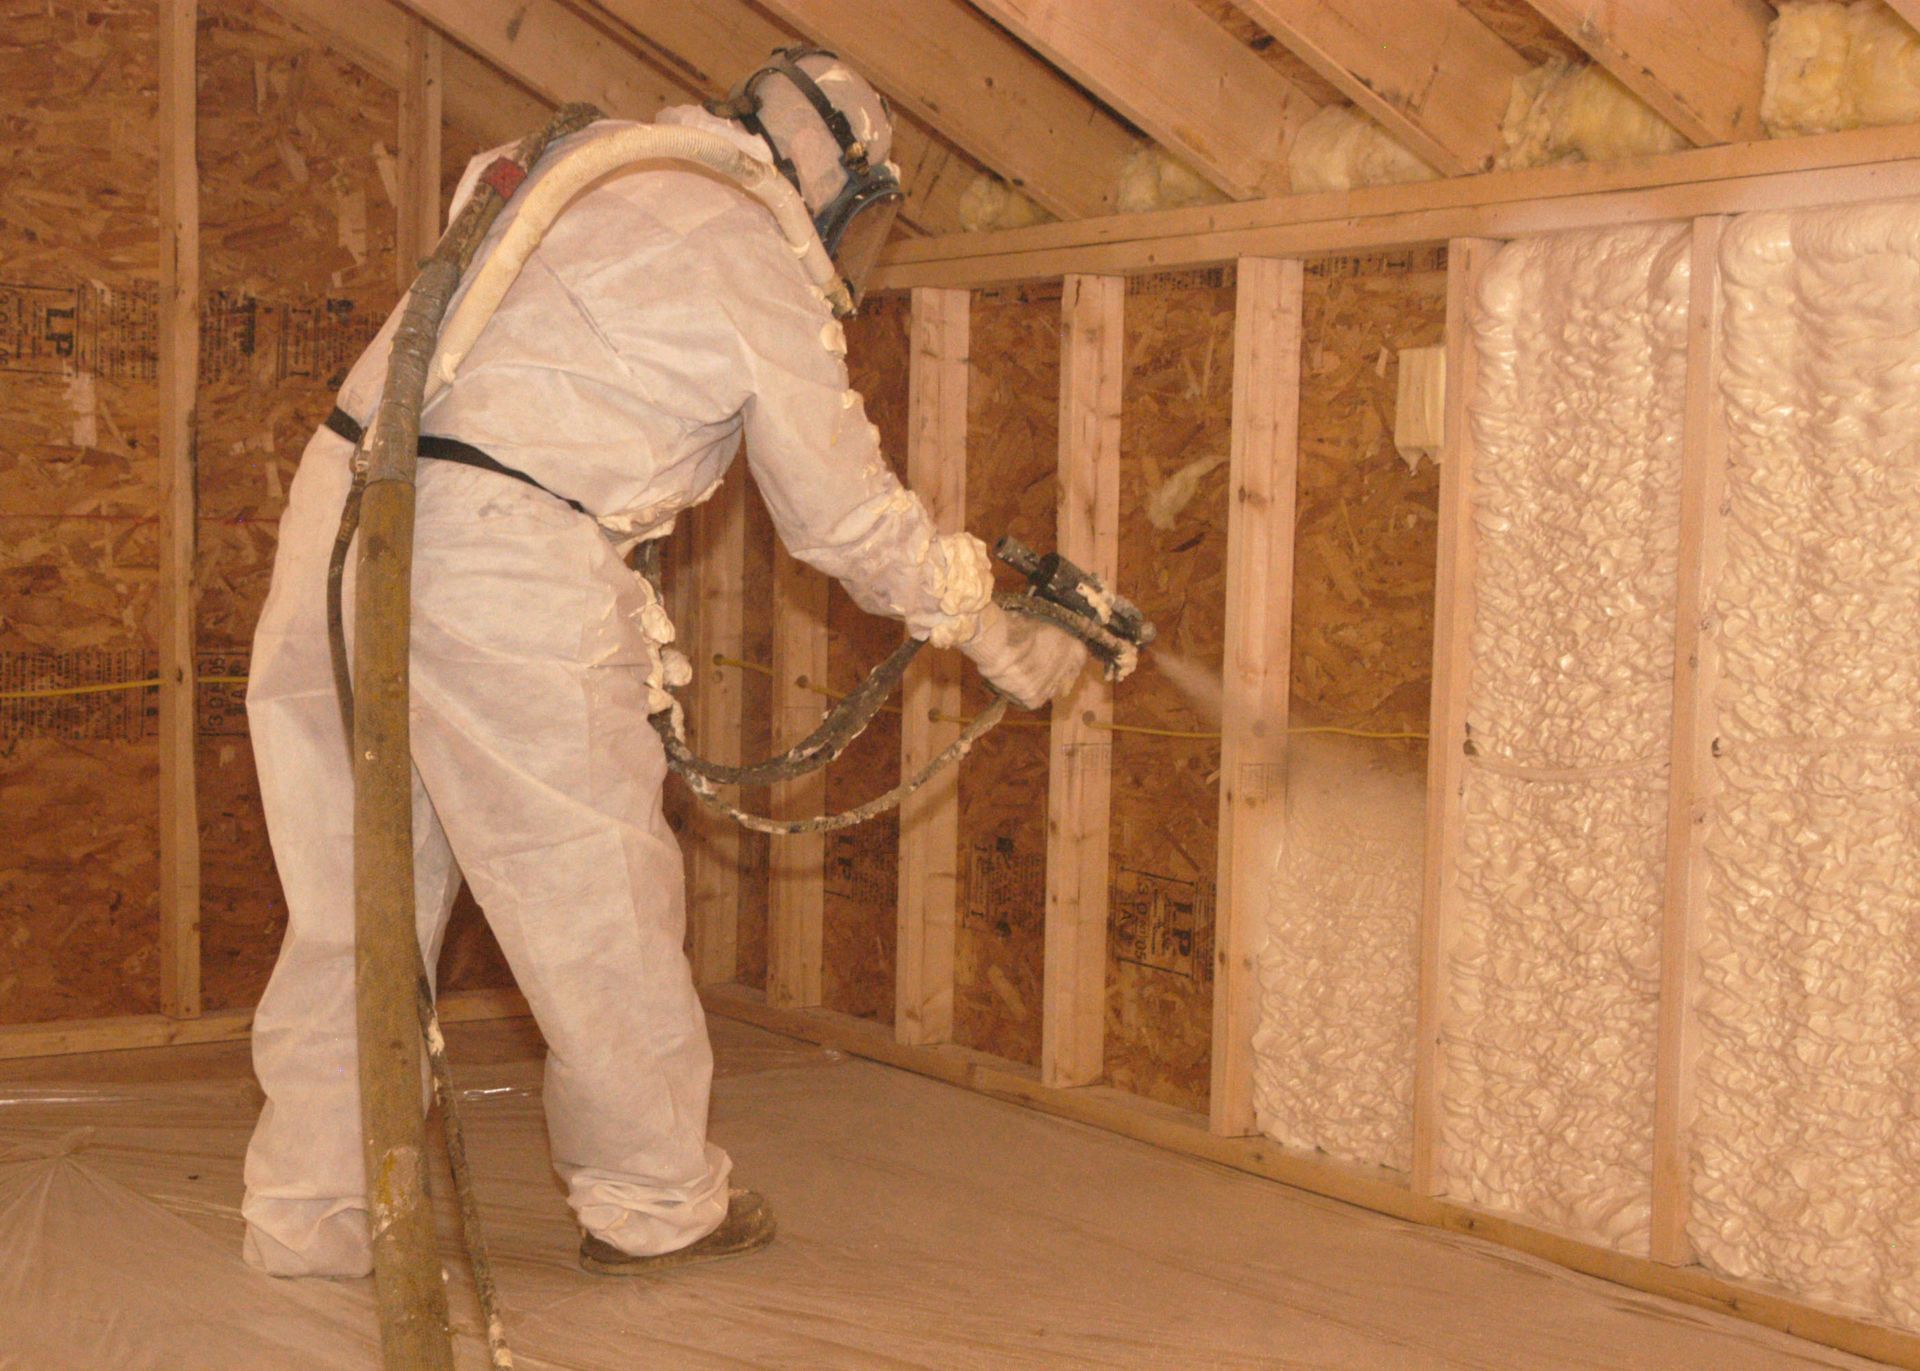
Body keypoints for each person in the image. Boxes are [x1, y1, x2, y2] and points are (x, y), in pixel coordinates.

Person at [239, 48, 1086, 1278]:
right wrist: (989, 627)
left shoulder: (560, 160)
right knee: (596, 902)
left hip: (345, 509)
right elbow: (843, 518)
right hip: (502, 552)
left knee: (353, 904)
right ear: (830, 181)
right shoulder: (746, 243)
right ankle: (651, 1199)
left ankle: (309, 1215)